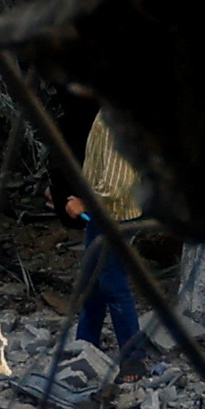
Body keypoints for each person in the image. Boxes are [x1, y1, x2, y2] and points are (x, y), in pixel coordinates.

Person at [63, 113, 146, 377]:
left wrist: (85, 202)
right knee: (93, 283)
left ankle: (133, 360)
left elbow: (116, 184)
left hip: (114, 216)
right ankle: (85, 346)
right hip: (107, 214)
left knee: (113, 285)